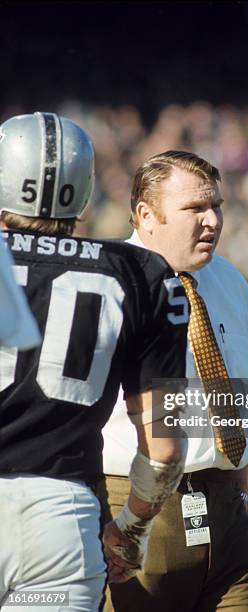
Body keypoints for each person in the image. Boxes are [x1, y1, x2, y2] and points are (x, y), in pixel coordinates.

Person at [0, 113, 188, 611]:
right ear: (84, 188)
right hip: (59, 528)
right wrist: (132, 530)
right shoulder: (138, 272)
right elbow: (165, 448)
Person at [101, 150, 248, 611]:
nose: (211, 221)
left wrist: (238, 496)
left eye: (216, 206)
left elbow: (244, 401)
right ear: (146, 214)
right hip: (135, 510)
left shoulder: (231, 280)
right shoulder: (108, 282)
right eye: (194, 209)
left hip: (225, 512)